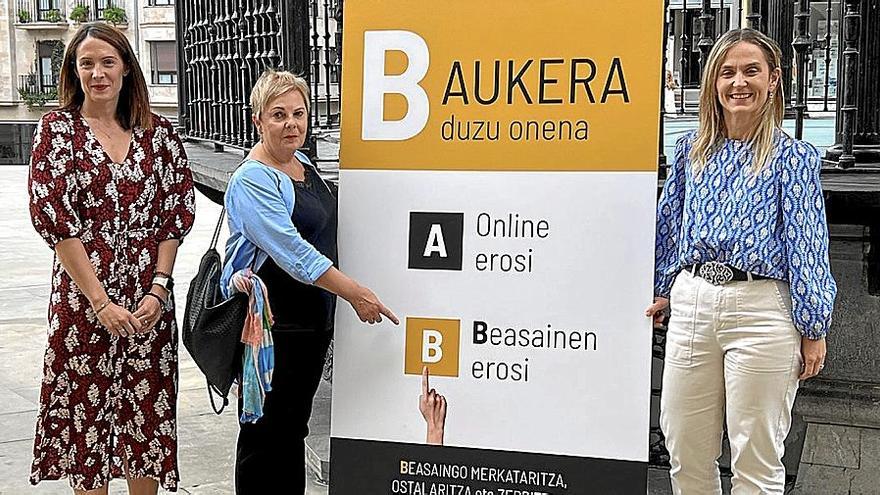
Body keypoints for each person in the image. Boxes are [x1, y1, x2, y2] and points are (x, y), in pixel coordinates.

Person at [645, 28, 836, 494]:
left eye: (752, 71)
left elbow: (807, 245)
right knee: (685, 447)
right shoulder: (691, 150)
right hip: (693, 305)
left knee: (756, 456)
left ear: (774, 81)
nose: (739, 82)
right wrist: (663, 286)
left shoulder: (794, 158)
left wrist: (814, 327)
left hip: (762, 309)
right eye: (727, 72)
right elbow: (670, 225)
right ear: (713, 82)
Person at [27, 22, 195, 494]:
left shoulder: (158, 134)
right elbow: (55, 220)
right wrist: (101, 302)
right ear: (73, 71)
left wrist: (159, 289)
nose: (97, 73)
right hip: (84, 308)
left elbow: (174, 214)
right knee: (87, 431)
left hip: (148, 309)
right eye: (86, 64)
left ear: (126, 68)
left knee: (147, 424)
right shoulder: (56, 131)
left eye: (107, 62)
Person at [221, 69, 398, 494]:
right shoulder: (253, 180)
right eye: (278, 114)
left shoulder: (303, 165)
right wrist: (355, 293)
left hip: (311, 322)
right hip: (271, 326)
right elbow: (294, 253)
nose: (291, 123)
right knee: (265, 435)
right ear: (257, 120)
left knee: (292, 428)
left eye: (298, 113)